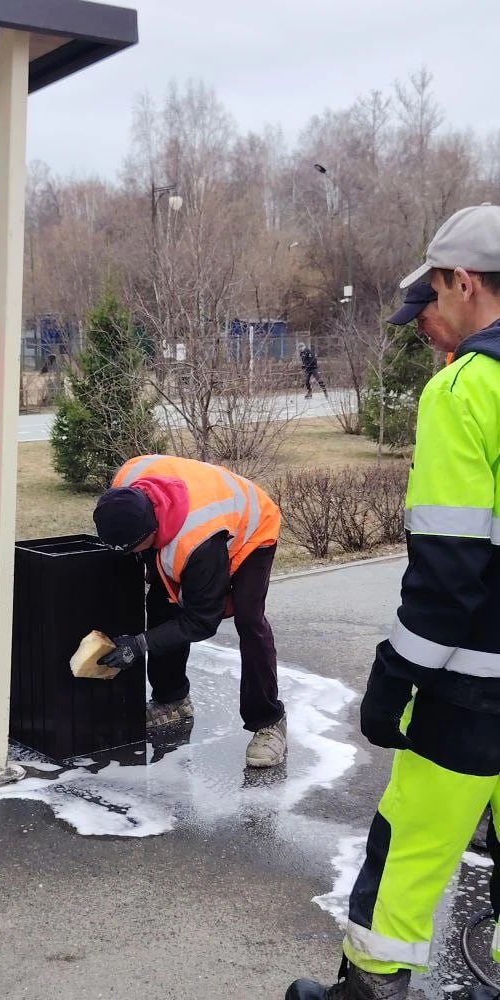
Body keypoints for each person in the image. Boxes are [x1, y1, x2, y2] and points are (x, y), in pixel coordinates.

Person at [287, 204, 500, 1000]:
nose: (433, 311)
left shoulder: (466, 391)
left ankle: (371, 988)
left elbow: (448, 571)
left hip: (475, 686)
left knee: (408, 844)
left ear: (462, 281)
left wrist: (395, 679)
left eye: (436, 291)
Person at [92, 454, 287, 768]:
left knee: (249, 619)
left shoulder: (197, 543)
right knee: (162, 601)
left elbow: (202, 620)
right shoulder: (125, 486)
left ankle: (269, 721)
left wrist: (139, 644)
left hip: (252, 526)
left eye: (132, 549)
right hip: (204, 510)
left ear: (152, 533)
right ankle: (172, 700)